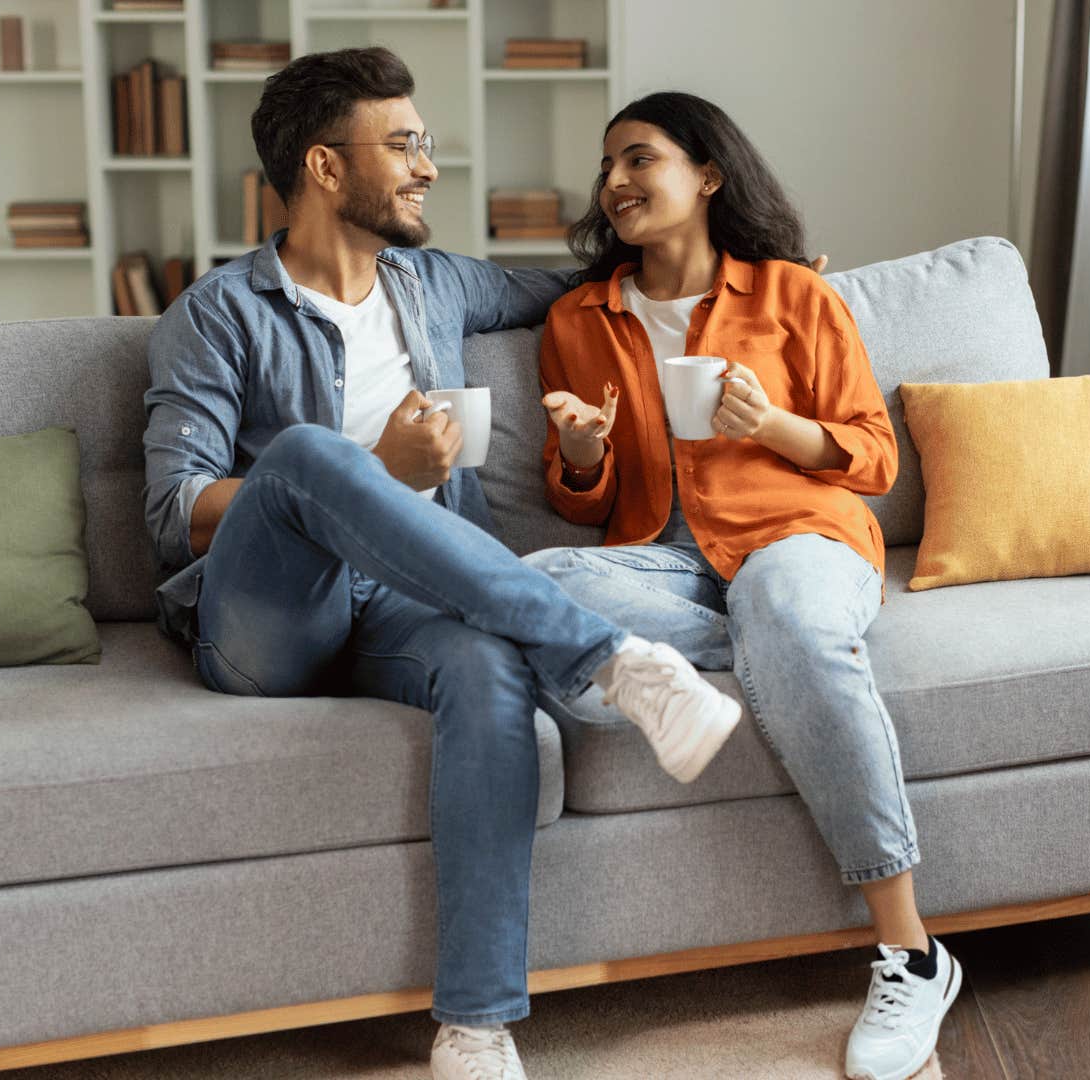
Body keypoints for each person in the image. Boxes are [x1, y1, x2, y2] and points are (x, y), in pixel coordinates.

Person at [140, 51, 745, 1080]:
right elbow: (170, 514)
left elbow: (589, 284)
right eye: (406, 144)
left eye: (426, 143)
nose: (429, 166)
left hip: (410, 607)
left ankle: (474, 1024)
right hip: (267, 623)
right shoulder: (220, 313)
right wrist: (375, 465)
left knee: (488, 668)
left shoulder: (433, 286)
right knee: (308, 456)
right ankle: (610, 660)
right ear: (327, 168)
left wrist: (751, 269)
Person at [522, 92, 960, 1080]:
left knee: (789, 611)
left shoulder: (795, 298)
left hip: (797, 534)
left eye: (640, 159)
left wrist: (768, 428)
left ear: (708, 175)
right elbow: (584, 511)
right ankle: (763, 646)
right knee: (529, 582)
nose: (616, 184)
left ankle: (911, 952)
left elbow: (874, 459)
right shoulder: (577, 320)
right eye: (607, 169)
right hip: (666, 561)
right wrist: (582, 455)